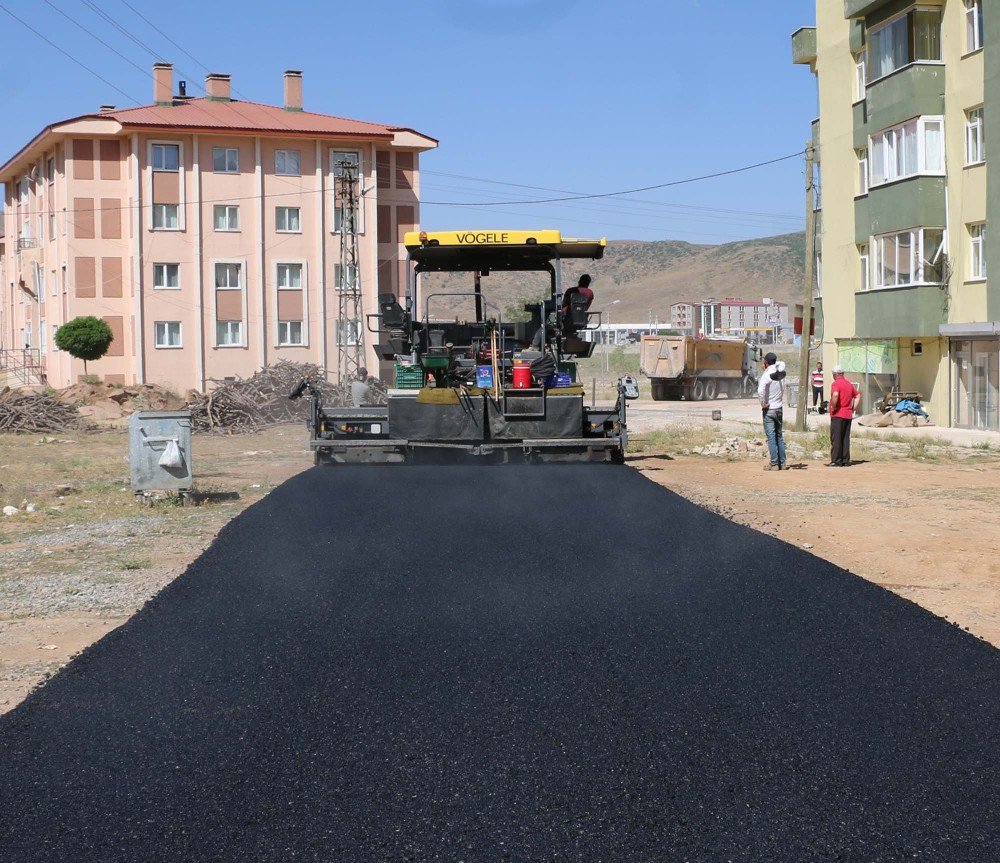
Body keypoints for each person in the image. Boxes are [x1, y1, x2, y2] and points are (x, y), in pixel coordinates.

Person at [758, 352, 787, 471]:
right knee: (779, 436)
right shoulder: (780, 372)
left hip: (769, 409)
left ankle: (774, 464)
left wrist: (763, 403)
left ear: (766, 363)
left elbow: (760, 391)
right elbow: (782, 363)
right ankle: (783, 463)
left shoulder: (766, 375)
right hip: (779, 408)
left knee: (771, 437)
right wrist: (773, 364)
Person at [828, 365, 860, 467]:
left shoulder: (836, 384)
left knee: (836, 438)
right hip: (848, 414)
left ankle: (836, 460)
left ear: (835, 374)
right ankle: (845, 460)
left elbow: (836, 395)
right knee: (845, 438)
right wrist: (853, 407)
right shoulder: (848, 384)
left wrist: (833, 406)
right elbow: (858, 395)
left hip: (838, 414)